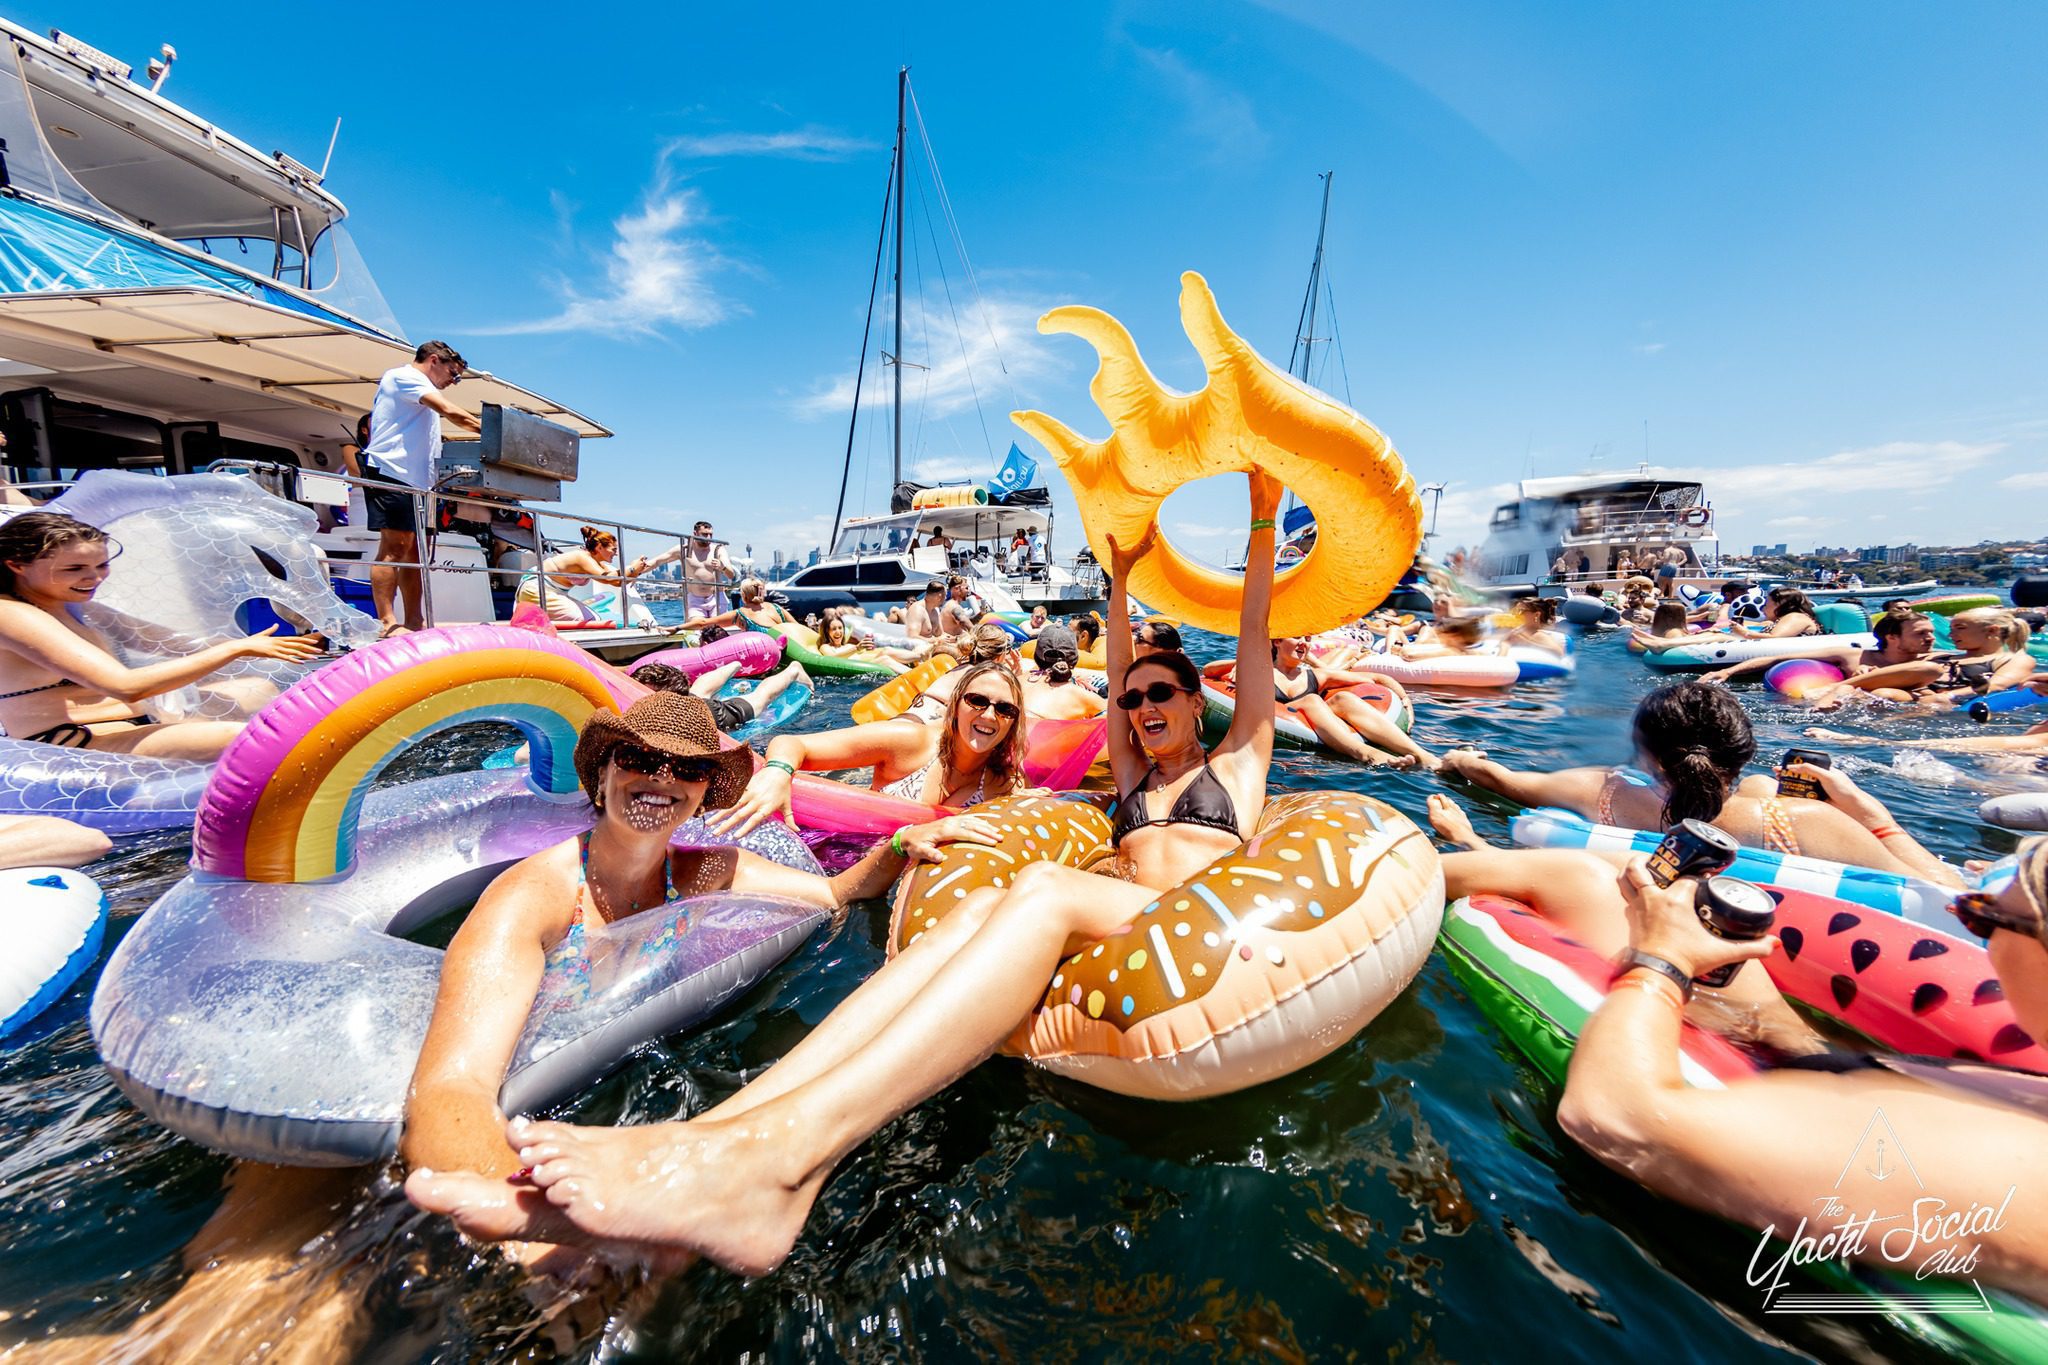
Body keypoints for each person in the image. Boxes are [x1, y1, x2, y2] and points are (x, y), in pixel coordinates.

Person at [403, 473, 1289, 1275]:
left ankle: (782, 1165)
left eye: (1159, 695)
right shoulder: (1134, 778)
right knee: (988, 904)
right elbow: (1117, 655)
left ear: (1195, 704)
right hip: (1117, 900)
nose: (1138, 707)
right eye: (1129, 697)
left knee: (1040, 890)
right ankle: (713, 1146)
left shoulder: (1238, 762)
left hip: (1198, 912)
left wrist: (1262, 514)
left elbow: (1253, 637)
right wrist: (1122, 574)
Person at [397, 693, 999, 1249]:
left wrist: (902, 843)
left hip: (618, 1097)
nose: (663, 780)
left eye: (687, 769)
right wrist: (532, 1227)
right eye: (640, 759)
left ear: (705, 789)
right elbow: (451, 1090)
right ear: (602, 772)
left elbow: (835, 893)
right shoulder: (533, 897)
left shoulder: (705, 871)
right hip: (514, 1126)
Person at [1437, 679, 1962, 886]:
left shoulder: (1595, 790)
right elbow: (1946, 896)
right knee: (1759, 791)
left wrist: (1460, 759)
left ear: (1642, 755)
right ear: (1743, 749)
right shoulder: (1811, 823)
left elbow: (1500, 779)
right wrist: (1874, 817)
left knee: (1757, 790)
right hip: (1764, 828)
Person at [0, 513, 323, 758]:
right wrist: (235, 650)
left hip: (129, 721)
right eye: (75, 569)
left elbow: (171, 643)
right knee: (257, 738)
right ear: (17, 565)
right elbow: (126, 687)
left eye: (101, 565)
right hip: (72, 740)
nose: (94, 577)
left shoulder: (72, 606)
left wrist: (278, 645)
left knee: (258, 689)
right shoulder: (12, 615)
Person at [716, 658, 1030, 822]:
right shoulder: (910, 741)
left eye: (1004, 709)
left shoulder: (1005, 780)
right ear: (956, 705)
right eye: (977, 701)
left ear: (1014, 720)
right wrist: (777, 772)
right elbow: (793, 744)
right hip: (857, 848)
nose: (989, 716)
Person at [358, 340, 478, 637]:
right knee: (393, 548)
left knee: (414, 554)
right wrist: (492, 434)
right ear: (434, 360)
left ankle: (414, 621)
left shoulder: (421, 387)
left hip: (417, 482)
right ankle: (388, 623)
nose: (454, 381)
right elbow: (451, 411)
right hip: (392, 471)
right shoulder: (405, 377)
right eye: (454, 373)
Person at [1251, 634, 1436, 769]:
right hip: (1281, 722)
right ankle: (1367, 754)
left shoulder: (1316, 675)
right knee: (1312, 700)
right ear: (1277, 642)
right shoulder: (1260, 671)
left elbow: (1377, 678)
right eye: (1297, 637)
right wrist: (1232, 666)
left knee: (1343, 698)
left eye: (1307, 639)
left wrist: (1405, 701)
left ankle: (1423, 755)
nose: (1303, 643)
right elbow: (1220, 670)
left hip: (1317, 724)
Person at [1701, 605, 1936, 687]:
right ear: (1892, 637)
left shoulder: (1940, 663)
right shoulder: (1852, 656)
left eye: (1931, 633)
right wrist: (1727, 671)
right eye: (1921, 633)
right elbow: (1778, 658)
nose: (1930, 639)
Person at [628, 658, 811, 736]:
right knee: (698, 691)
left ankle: (793, 670)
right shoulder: (652, 705)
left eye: (646, 696)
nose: (638, 700)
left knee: (761, 697)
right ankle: (733, 665)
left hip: (718, 714)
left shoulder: (692, 717)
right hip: (690, 701)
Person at [513, 526, 638, 624]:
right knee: (586, 619)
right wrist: (632, 568)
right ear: (600, 547)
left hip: (551, 592)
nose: (616, 554)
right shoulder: (582, 557)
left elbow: (616, 581)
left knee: (592, 617)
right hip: (537, 590)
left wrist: (638, 569)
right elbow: (607, 578)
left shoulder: (596, 563)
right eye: (614, 549)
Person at [679, 522, 737, 622]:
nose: (709, 537)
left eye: (711, 534)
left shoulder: (718, 549)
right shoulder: (684, 549)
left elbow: (731, 575)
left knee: (718, 628)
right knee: (698, 627)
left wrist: (722, 567)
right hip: (695, 600)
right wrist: (642, 569)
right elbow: (658, 561)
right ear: (695, 533)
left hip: (716, 597)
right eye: (705, 534)